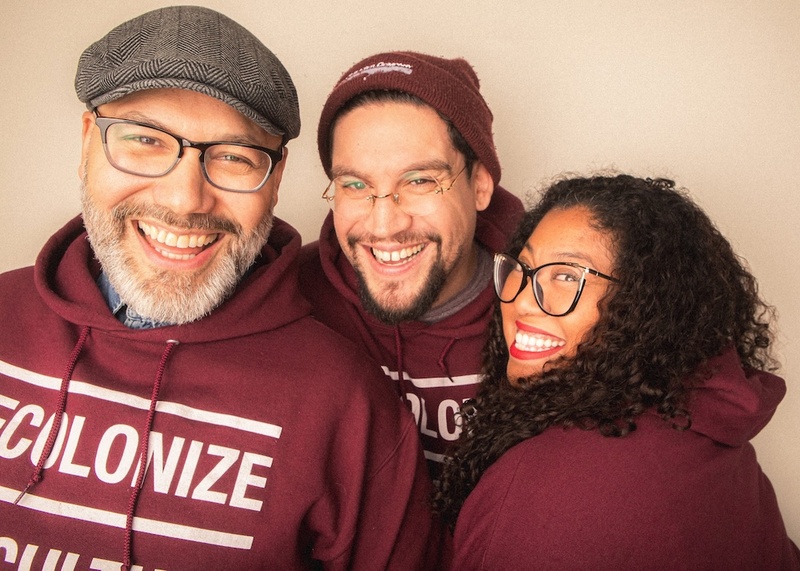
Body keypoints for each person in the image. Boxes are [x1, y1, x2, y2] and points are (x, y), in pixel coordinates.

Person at [0, 7, 439, 570]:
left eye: (233, 157)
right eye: (146, 140)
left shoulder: (347, 406)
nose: (185, 200)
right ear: (88, 142)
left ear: (276, 181)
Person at [433, 174, 800, 569]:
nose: (522, 301)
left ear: (647, 305)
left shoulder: (545, 493)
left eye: (568, 276)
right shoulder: (705, 424)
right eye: (524, 269)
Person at [298, 51, 524, 476]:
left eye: (420, 181)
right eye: (355, 184)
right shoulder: (291, 298)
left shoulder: (549, 307)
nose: (385, 224)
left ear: (479, 185)